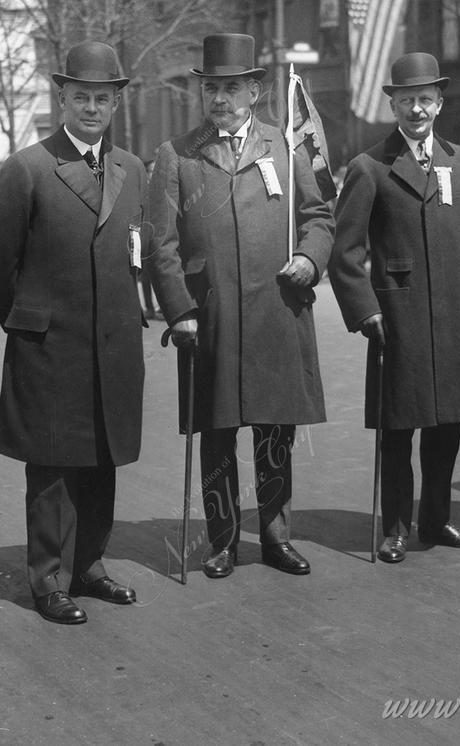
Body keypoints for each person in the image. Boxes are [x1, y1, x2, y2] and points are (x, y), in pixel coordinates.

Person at [147, 33, 334, 579]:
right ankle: (223, 539)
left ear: (255, 90)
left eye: (232, 88)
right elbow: (161, 242)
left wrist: (309, 258)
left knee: (276, 430)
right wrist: (179, 309)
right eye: (212, 89)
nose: (220, 100)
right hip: (212, 314)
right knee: (218, 430)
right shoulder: (177, 154)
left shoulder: (284, 145)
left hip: (278, 307)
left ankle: (276, 538)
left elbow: (319, 216)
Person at [0, 42, 145, 625]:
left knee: (102, 456)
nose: (92, 108)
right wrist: (25, 320)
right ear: (62, 98)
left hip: (113, 344)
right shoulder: (28, 168)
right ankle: (47, 579)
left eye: (103, 98)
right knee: (51, 467)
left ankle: (89, 566)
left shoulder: (132, 168)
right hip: (50, 347)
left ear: (116, 101)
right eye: (81, 97)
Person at [328, 52, 460, 563]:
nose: (417, 110)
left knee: (448, 424)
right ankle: (397, 527)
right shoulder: (369, 167)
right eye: (407, 101)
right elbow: (345, 252)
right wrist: (366, 310)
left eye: (425, 100)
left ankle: (437, 519)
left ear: (440, 103)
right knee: (398, 429)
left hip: (457, 317)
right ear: (392, 105)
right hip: (398, 320)